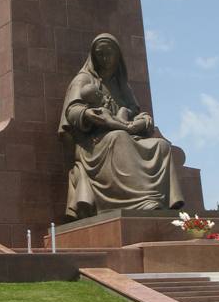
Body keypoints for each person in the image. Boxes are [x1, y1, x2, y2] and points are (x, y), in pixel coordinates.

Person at [59, 33, 184, 220]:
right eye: (100, 54)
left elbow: (133, 112)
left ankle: (170, 203)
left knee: (161, 146)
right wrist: (87, 114)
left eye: (109, 53)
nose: (105, 58)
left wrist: (143, 119)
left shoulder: (122, 85)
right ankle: (144, 201)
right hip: (94, 143)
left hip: (126, 133)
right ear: (94, 56)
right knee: (119, 138)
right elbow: (72, 111)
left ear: (117, 56)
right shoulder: (84, 80)